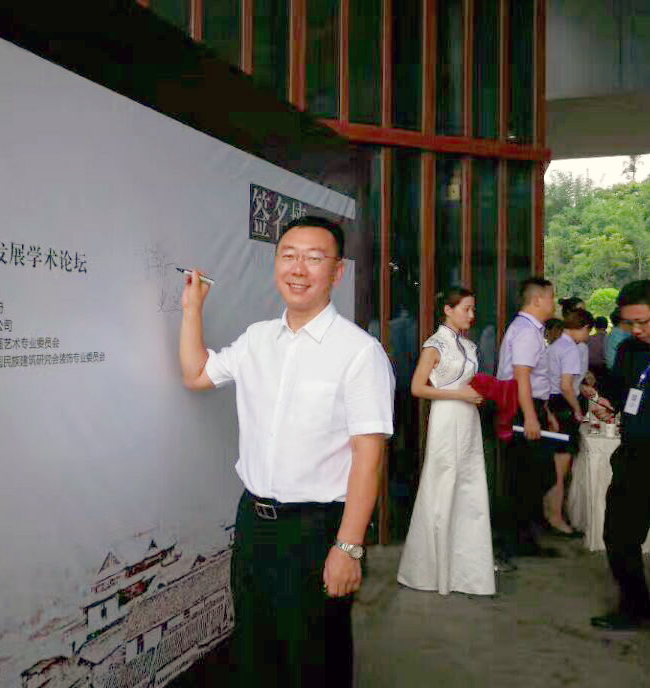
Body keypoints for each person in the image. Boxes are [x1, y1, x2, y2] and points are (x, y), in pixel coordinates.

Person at [178, 215, 395, 686]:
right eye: (289, 256)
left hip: (316, 530)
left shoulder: (359, 353)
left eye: (315, 259)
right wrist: (192, 308)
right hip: (254, 524)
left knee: (314, 661)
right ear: (276, 263)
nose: (299, 269)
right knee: (256, 654)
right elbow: (196, 374)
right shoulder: (257, 340)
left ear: (337, 272)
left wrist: (348, 547)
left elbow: (368, 457)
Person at [397, 288, 495, 596]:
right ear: (448, 310)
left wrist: (474, 394)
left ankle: (468, 572)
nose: (472, 315)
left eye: (473, 309)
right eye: (466, 309)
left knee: (469, 486)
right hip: (446, 416)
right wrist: (459, 394)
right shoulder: (434, 344)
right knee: (442, 484)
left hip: (468, 419)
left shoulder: (468, 344)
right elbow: (417, 388)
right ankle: (432, 571)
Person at [591, 280, 650, 630]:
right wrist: (607, 403)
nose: (636, 329)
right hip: (634, 458)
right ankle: (636, 608)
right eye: (629, 323)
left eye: (643, 321)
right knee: (619, 537)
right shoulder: (629, 350)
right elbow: (618, 388)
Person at [495, 276, 557, 558]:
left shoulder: (531, 329)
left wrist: (544, 412)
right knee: (526, 476)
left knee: (533, 475)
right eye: (551, 297)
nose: (553, 303)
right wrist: (531, 417)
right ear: (537, 300)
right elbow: (522, 377)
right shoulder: (526, 331)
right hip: (522, 408)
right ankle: (516, 540)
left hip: (531, 406)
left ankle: (523, 537)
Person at [544, 309, 594, 535]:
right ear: (583, 328)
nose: (587, 337)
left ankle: (551, 513)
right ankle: (556, 517)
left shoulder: (554, 346)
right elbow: (566, 386)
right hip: (564, 407)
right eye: (588, 332)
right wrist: (577, 409)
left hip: (552, 405)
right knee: (561, 469)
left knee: (555, 466)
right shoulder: (571, 349)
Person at [589, 316, 609, 380]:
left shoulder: (589, 339)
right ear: (607, 326)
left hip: (591, 369)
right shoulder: (610, 339)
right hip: (606, 369)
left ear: (595, 326)